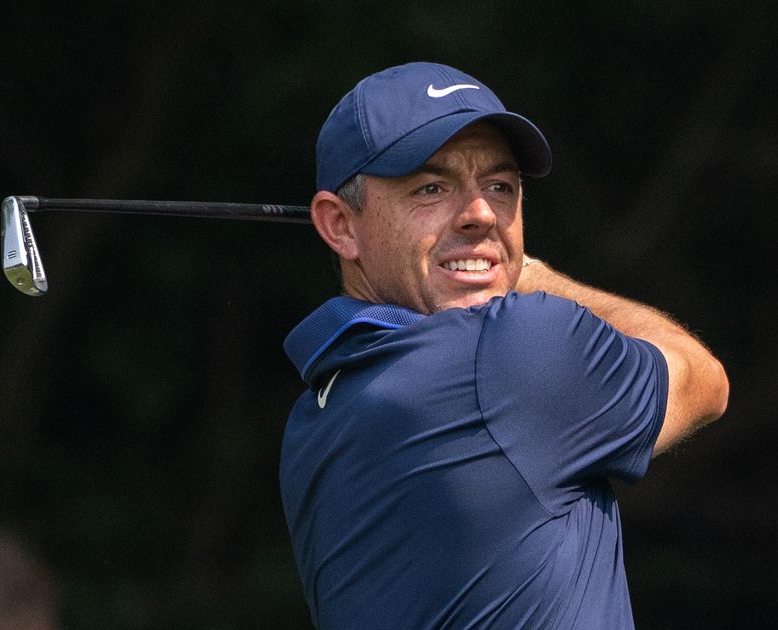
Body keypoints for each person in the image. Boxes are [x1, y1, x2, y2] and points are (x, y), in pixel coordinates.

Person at [280, 61, 728, 629]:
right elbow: (702, 379)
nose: (480, 214)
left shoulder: (314, 418)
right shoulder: (514, 351)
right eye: (431, 187)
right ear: (340, 225)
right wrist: (537, 277)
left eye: (500, 186)